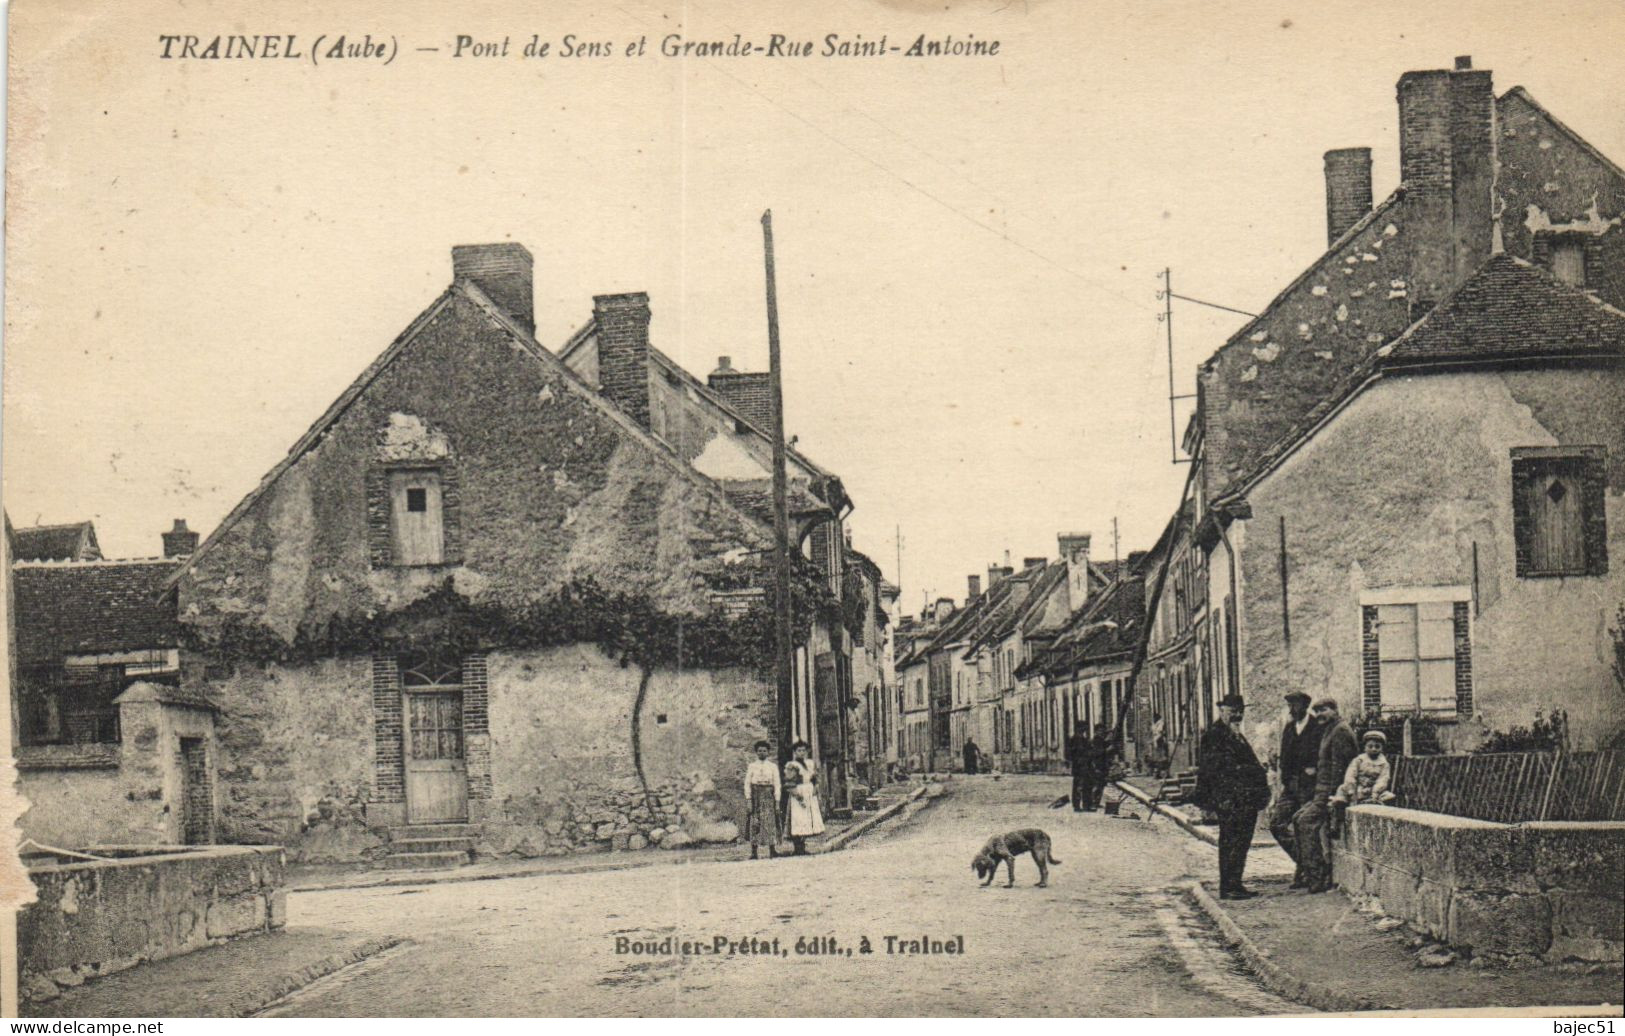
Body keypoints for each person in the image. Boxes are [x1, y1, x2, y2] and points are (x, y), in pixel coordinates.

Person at [1192, 694, 1272, 900]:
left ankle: (1235, 883)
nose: (1237, 715)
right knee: (1231, 841)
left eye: (1240, 712)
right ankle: (1228, 886)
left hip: (1243, 799)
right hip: (1229, 799)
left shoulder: (1235, 734)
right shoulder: (1215, 735)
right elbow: (1218, 769)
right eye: (1232, 711)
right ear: (1222, 711)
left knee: (1241, 841)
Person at [1292, 698, 1358, 893]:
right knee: (1297, 819)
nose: (1319, 714)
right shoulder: (1330, 729)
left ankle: (1318, 877)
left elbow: (1341, 767)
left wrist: (1334, 797)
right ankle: (1309, 872)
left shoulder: (1341, 731)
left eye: (1324, 710)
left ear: (1335, 709)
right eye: (1317, 711)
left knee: (1305, 823)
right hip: (1320, 791)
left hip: (1331, 793)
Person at [1270, 690, 1320, 888]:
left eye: (1294, 705)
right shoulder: (1289, 728)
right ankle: (1304, 864)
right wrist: (1286, 780)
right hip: (1291, 787)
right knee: (1277, 824)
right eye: (1289, 705)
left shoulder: (1317, 727)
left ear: (1305, 706)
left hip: (1310, 787)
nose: (1291, 709)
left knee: (1303, 827)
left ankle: (1305, 872)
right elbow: (1284, 757)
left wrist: (1313, 770)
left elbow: (1322, 755)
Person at [782, 740, 825, 855]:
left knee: (807, 819)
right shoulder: (792, 765)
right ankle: (797, 847)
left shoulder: (810, 763)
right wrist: (797, 795)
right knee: (798, 818)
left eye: (803, 750)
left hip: (809, 792)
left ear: (806, 751)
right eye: (799, 751)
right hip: (799, 792)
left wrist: (815, 786)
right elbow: (789, 783)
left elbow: (815, 777)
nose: (801, 753)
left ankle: (803, 845)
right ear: (795, 752)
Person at [1333, 731, 1396, 807]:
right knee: (1342, 789)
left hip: (1372, 790)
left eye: (1377, 746)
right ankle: (1341, 807)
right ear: (1365, 747)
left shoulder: (1384, 764)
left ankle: (1373, 802)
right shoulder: (1359, 760)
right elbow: (1350, 775)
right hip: (1357, 788)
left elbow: (1383, 779)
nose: (1373, 749)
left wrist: (1375, 792)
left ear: (1382, 748)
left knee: (1388, 796)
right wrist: (1352, 790)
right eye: (1370, 746)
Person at [744, 739, 781, 860]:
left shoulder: (772, 766)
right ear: (756, 752)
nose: (762, 753)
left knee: (769, 821)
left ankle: (772, 849)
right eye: (759, 751)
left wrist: (777, 801)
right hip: (755, 796)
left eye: (764, 750)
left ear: (768, 752)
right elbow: (747, 784)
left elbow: (777, 784)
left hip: (768, 795)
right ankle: (754, 851)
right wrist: (749, 799)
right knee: (755, 822)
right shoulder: (752, 766)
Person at [1066, 721, 1098, 811]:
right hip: (1079, 766)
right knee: (1078, 786)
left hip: (1086, 766)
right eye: (1083, 728)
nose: (1085, 730)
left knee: (1087, 785)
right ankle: (1077, 805)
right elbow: (1071, 754)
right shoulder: (1074, 740)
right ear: (1078, 729)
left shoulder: (1083, 740)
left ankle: (1086, 805)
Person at [1091, 724, 1116, 808]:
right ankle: (1093, 802)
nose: (1102, 732)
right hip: (1098, 765)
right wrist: (1107, 750)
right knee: (1097, 784)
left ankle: (1096, 802)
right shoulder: (1095, 740)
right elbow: (1097, 753)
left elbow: (1105, 745)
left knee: (1101, 784)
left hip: (1103, 765)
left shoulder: (1101, 740)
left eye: (1103, 731)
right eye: (1101, 730)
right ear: (1096, 731)